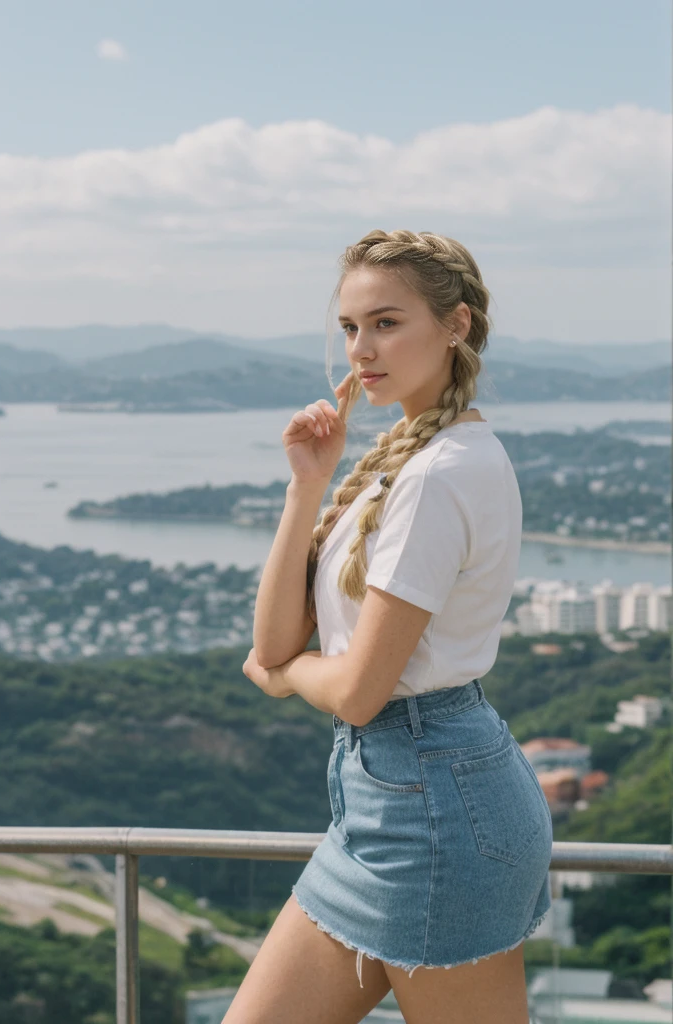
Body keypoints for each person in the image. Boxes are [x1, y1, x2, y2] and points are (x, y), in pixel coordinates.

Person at [235, 228, 554, 1024]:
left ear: (459, 324)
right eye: (349, 328)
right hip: (390, 807)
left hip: (437, 813)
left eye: (386, 323)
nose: (360, 350)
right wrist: (307, 487)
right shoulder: (406, 459)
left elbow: (354, 691)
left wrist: (283, 679)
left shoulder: (444, 473)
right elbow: (276, 637)